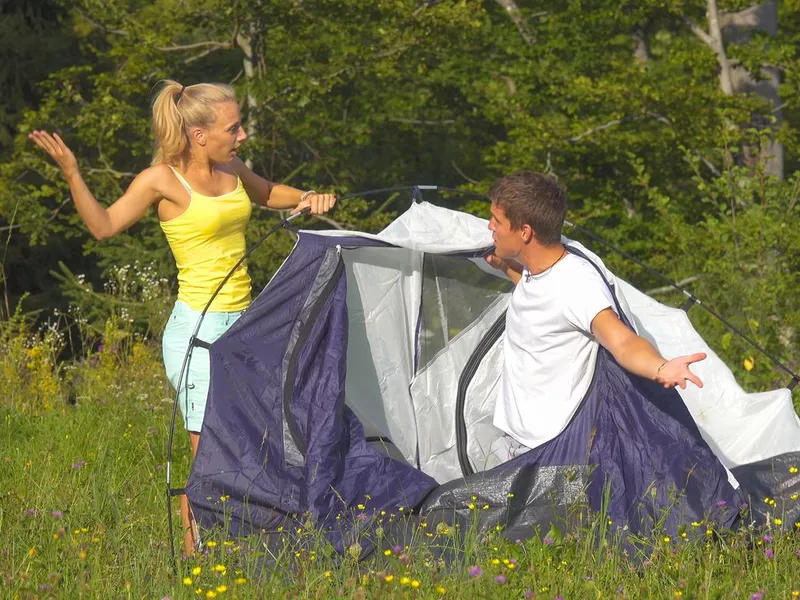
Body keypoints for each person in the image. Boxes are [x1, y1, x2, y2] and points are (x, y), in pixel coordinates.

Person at [29, 80, 336, 557]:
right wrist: (72, 171)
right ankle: (195, 555)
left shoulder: (230, 167)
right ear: (198, 134)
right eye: (233, 128)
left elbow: (270, 193)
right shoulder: (161, 180)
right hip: (199, 330)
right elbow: (103, 226)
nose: (242, 136)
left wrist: (309, 196)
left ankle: (243, 538)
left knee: (257, 434)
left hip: (245, 325)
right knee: (208, 447)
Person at [484, 172, 705, 453]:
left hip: (546, 451)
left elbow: (622, 341)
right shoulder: (534, 269)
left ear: (525, 232)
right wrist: (506, 268)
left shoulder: (577, 283)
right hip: (514, 436)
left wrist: (660, 367)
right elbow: (542, 307)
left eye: (497, 221)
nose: (490, 226)